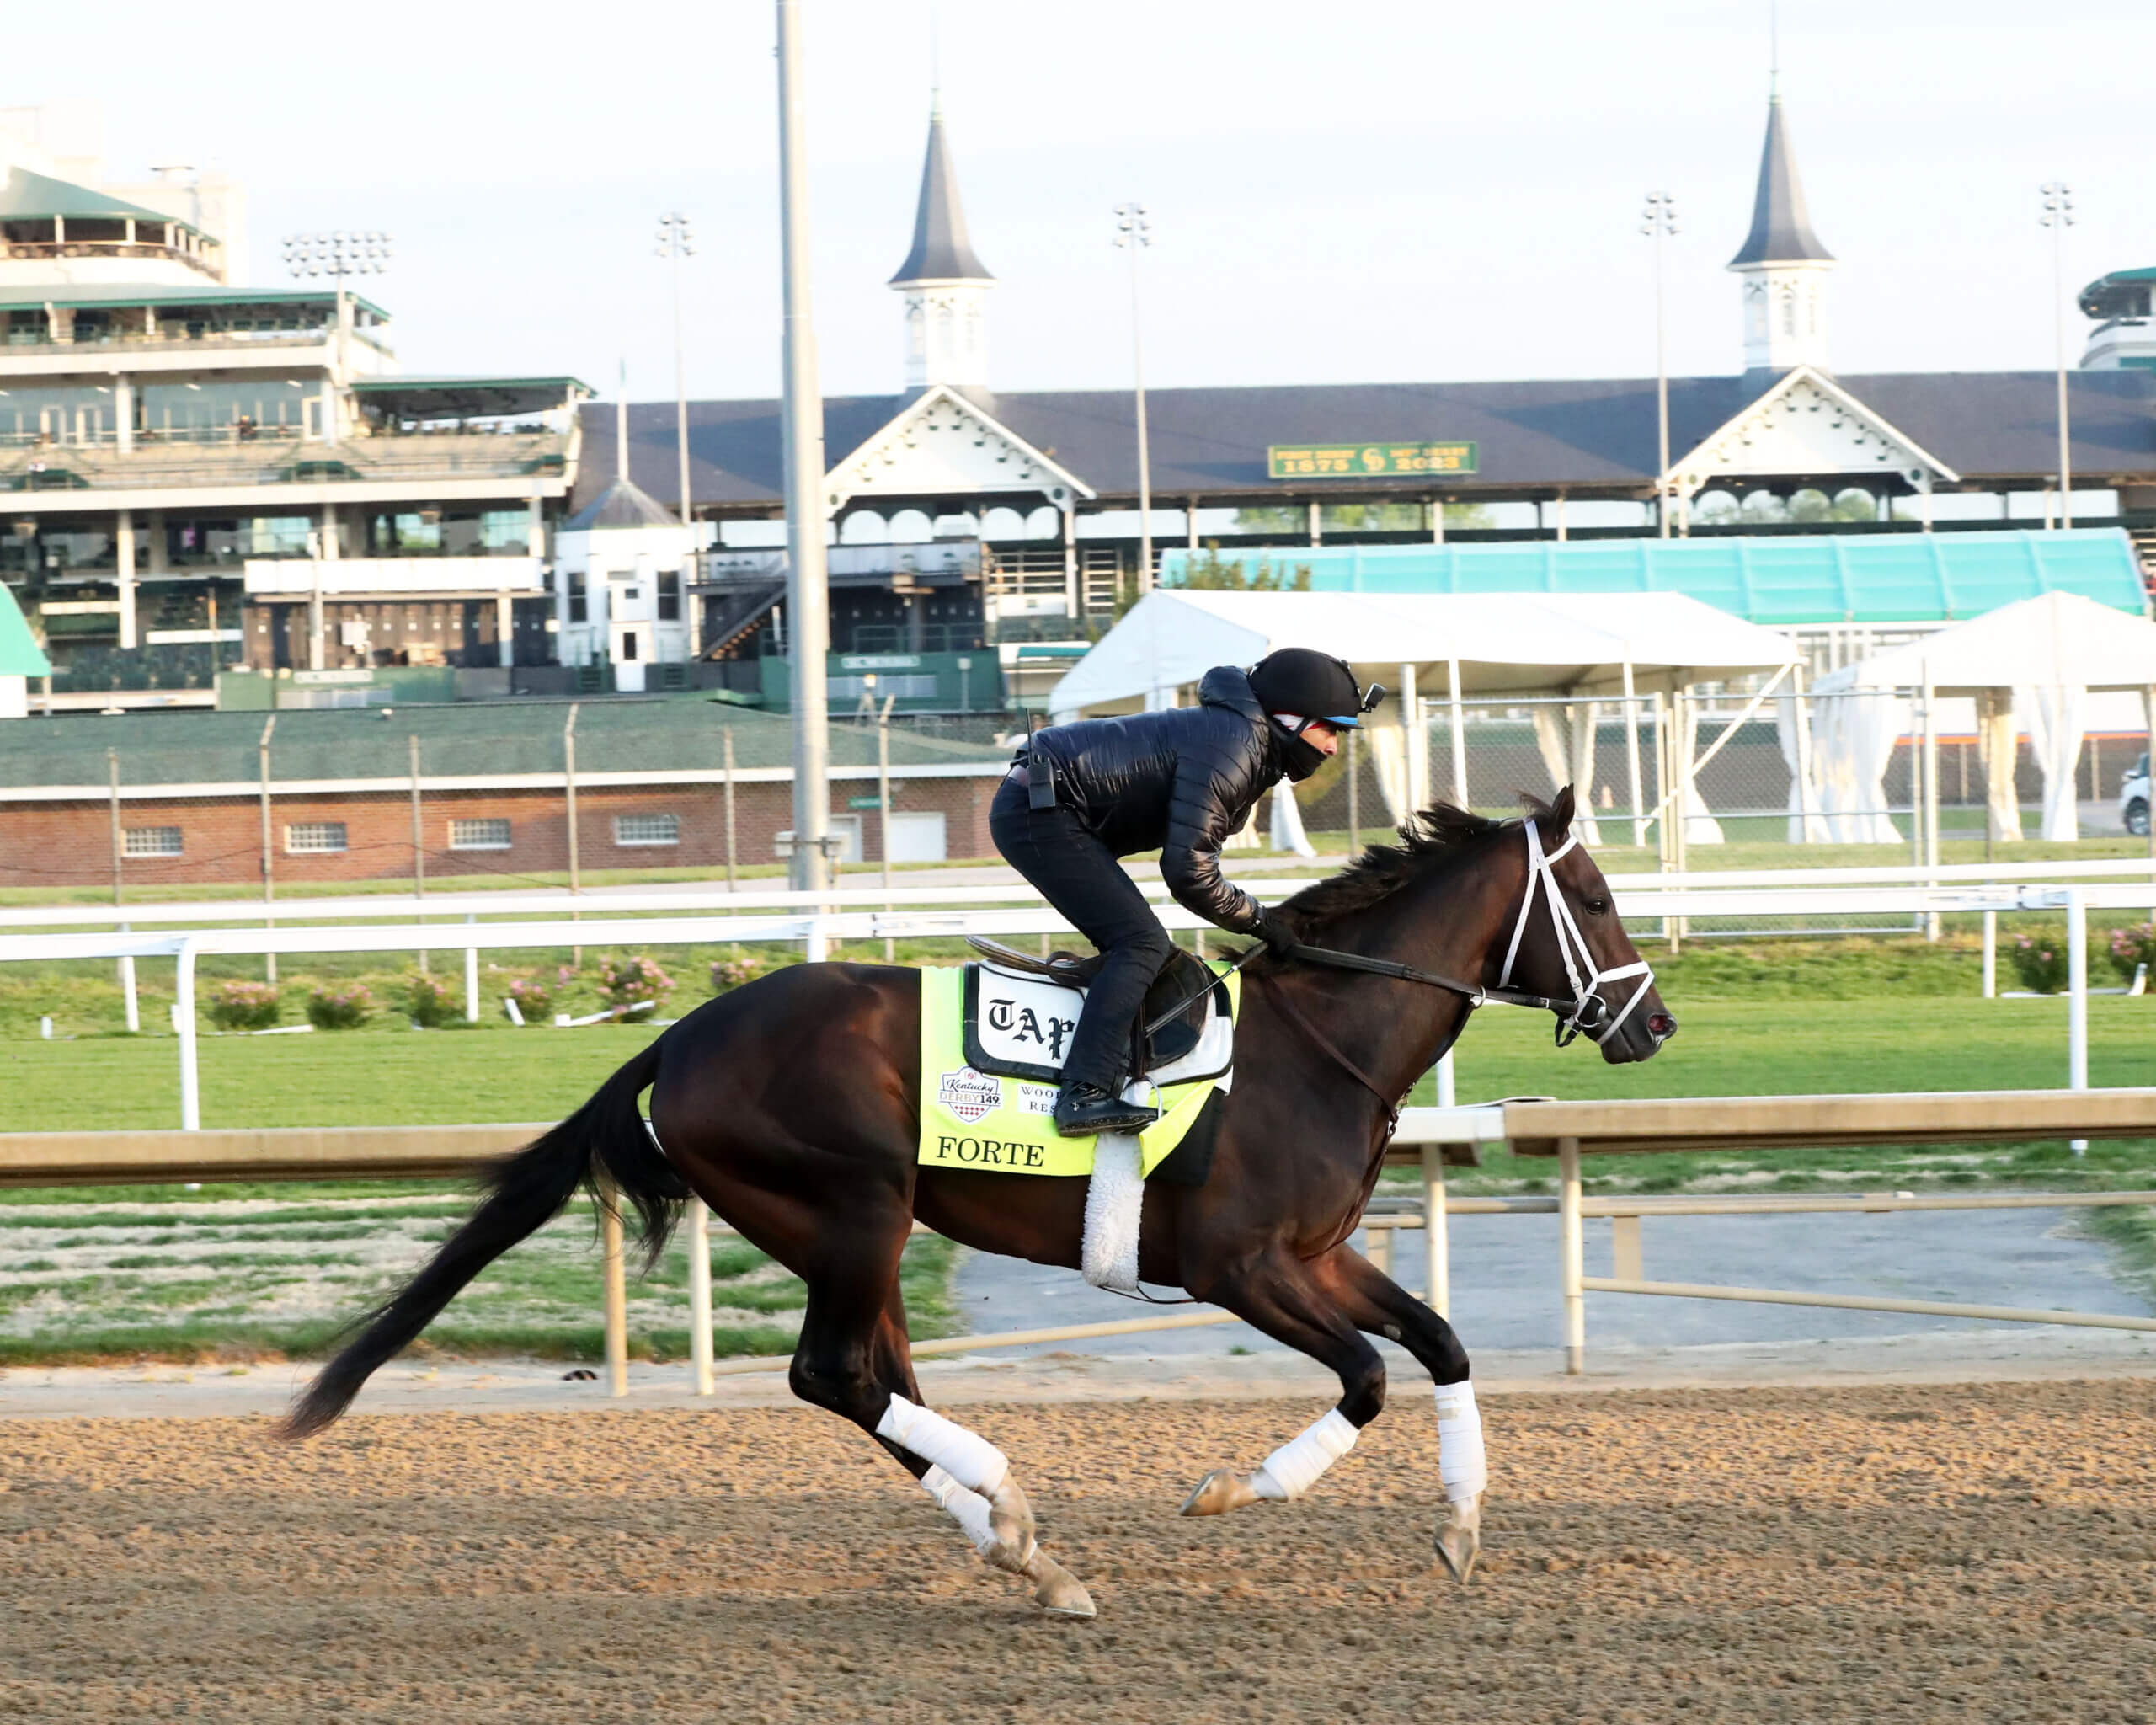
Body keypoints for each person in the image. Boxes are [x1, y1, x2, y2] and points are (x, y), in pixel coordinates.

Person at [992, 648, 1382, 1136]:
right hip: (1041, 811)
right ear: (1290, 718)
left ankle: (1103, 1025)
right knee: (1143, 944)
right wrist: (1262, 922)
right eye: (1331, 730)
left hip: (1051, 805)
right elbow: (1188, 872)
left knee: (1139, 946)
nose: (1332, 748)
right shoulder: (1235, 744)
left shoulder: (1245, 739)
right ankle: (1082, 1093)